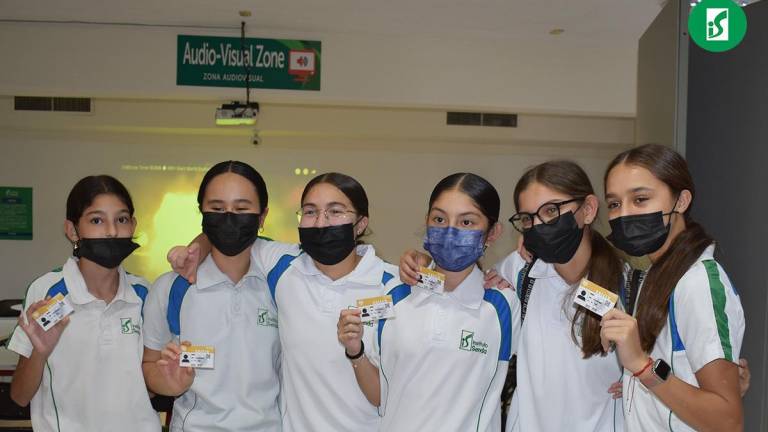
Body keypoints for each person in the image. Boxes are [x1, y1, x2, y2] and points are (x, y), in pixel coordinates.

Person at [401, 161, 625, 431]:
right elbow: (463, 277)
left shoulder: (627, 286)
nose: (540, 225)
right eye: (529, 219)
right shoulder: (519, 272)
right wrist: (423, 260)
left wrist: (637, 380)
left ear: (588, 209)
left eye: (552, 211)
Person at [167, 172, 399, 431]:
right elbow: (230, 233)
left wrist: (356, 352)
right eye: (310, 212)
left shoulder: (393, 285)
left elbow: (390, 394)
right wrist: (196, 247)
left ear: (360, 223)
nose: (322, 223)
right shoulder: (283, 265)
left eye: (335, 211)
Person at [339, 172, 520, 431]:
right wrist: (354, 349)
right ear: (426, 221)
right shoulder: (395, 294)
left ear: (492, 233)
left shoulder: (504, 304)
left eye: (467, 222)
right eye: (439, 219)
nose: (450, 231)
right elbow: (381, 396)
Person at [600, 144, 745, 431]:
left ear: (681, 201)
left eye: (640, 199)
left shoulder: (697, 283)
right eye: (615, 204)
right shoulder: (659, 273)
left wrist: (641, 367)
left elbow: (727, 421)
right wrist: (635, 385)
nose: (624, 214)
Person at [8, 175, 160, 432]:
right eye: (96, 220)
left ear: (133, 225)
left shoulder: (144, 293)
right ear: (72, 230)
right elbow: (20, 396)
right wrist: (39, 353)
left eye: (121, 219)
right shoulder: (47, 291)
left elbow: (150, 389)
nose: (112, 231)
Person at [141, 161, 281, 431]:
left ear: (262, 216)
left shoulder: (281, 283)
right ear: (202, 213)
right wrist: (167, 382)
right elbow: (149, 365)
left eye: (241, 209)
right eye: (217, 208)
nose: (229, 217)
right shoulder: (172, 288)